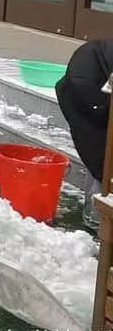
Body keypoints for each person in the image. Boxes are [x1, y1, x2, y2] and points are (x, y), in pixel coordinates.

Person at [55, 39, 113, 230]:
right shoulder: (89, 92)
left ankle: (97, 215)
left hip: (94, 88)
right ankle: (97, 219)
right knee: (101, 158)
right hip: (88, 99)